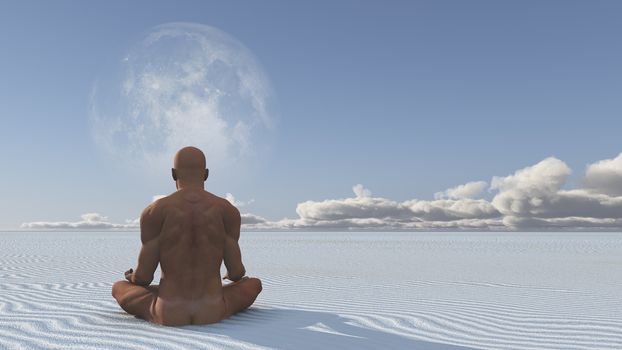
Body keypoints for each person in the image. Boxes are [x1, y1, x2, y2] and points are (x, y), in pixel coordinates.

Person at [111, 146, 262, 326]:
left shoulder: (155, 211)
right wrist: (231, 274)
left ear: (173, 174)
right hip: (213, 309)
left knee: (118, 287)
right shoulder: (227, 210)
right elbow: (237, 273)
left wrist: (132, 278)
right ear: (206, 174)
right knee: (253, 283)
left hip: (167, 311)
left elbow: (144, 278)